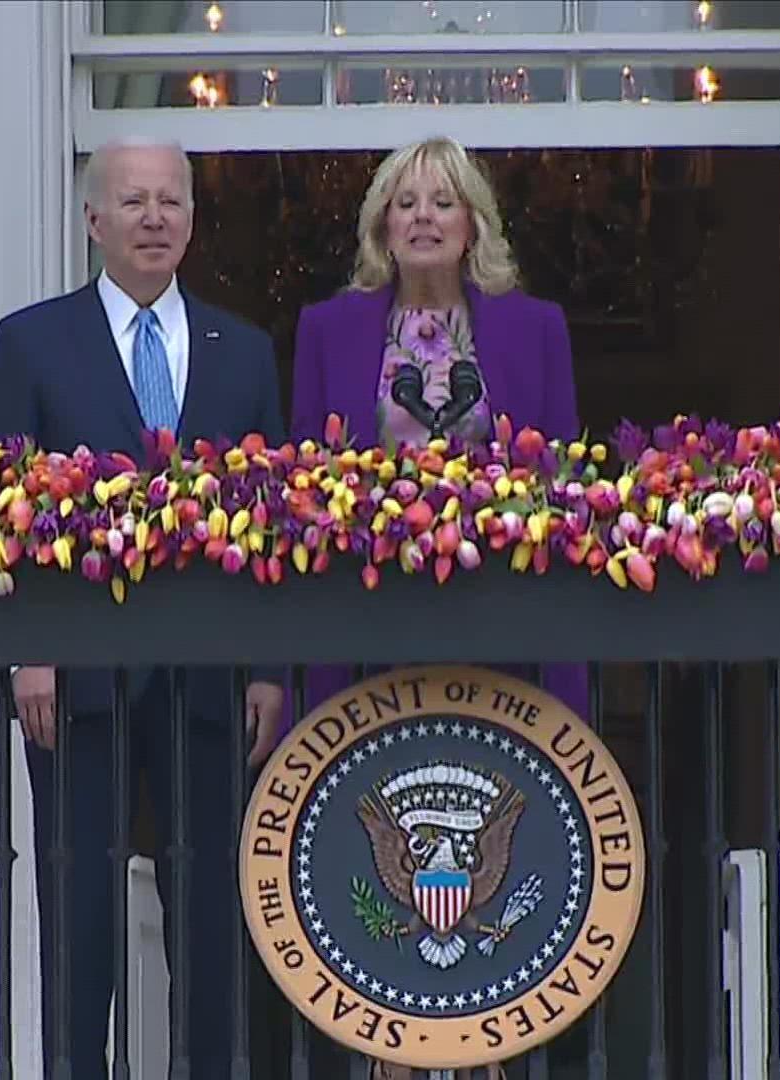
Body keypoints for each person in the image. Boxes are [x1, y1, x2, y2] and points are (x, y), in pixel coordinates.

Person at [0, 135, 287, 1077]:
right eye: (134, 201)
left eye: (172, 202)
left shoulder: (246, 350)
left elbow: (272, 520)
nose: (155, 218)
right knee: (80, 916)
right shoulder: (33, 340)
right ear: (93, 220)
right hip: (75, 681)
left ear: (192, 219)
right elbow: (1, 508)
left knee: (211, 918)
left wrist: (269, 667)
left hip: (207, 678)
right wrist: (28, 647)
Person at [288, 135, 589, 1080]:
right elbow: (298, 488)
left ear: (472, 228)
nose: (422, 217)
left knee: (493, 865)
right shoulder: (329, 330)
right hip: (368, 647)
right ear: (383, 223)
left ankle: (488, 1056)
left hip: (494, 648)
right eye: (405, 202)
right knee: (369, 869)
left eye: (442, 203)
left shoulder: (533, 329)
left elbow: (565, 493)